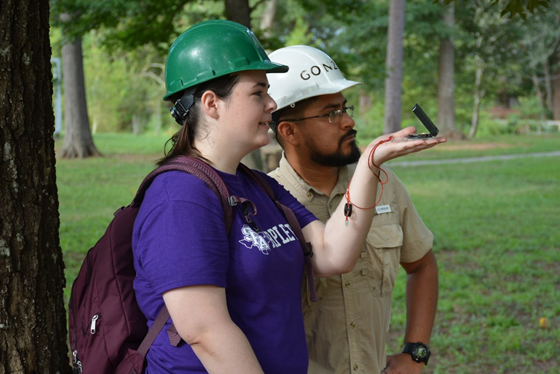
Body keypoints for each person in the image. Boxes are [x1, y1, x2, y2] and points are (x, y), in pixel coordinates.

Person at [132, 21, 445, 374]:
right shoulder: (181, 197)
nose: (271, 104)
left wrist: (370, 161)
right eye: (258, 93)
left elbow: (333, 254)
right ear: (211, 103)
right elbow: (205, 332)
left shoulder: (257, 187)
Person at [266, 45, 439, 374]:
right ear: (289, 131)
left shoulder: (384, 184)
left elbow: (422, 264)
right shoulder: (265, 204)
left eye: (344, 108)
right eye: (331, 113)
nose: (349, 121)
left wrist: (415, 353)